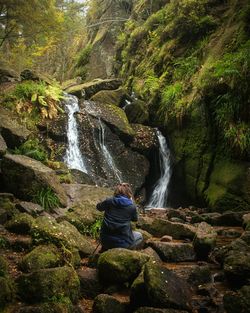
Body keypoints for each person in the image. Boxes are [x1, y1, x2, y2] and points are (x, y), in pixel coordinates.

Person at [96, 182, 143, 251]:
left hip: (105, 241)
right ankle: (125, 253)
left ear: (116, 192)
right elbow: (135, 219)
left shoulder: (109, 201)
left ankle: (105, 249)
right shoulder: (131, 206)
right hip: (122, 244)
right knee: (139, 236)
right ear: (129, 193)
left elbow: (98, 207)